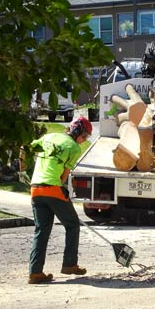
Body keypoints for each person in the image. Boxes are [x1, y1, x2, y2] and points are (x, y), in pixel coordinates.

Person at [27, 116, 92, 284]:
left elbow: (25, 148)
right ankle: (69, 264)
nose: (83, 140)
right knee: (72, 224)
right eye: (84, 136)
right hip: (52, 188)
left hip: (35, 188)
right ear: (77, 131)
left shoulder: (49, 137)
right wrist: (62, 189)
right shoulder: (74, 148)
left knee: (41, 230)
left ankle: (35, 272)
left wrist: (22, 171)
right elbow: (63, 176)